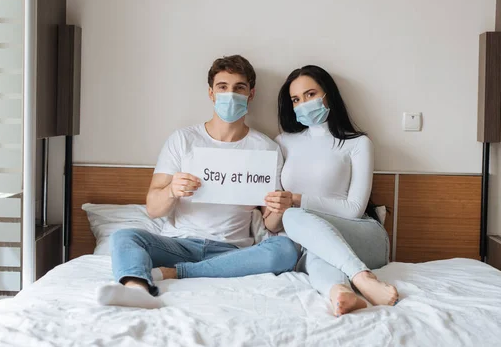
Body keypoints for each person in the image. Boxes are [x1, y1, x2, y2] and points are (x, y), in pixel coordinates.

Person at [97, 55, 299, 309]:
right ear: (211, 93)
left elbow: (269, 223)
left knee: (286, 249)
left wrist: (279, 208)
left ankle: (174, 273)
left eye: (239, 88)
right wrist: (172, 190)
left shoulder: (267, 148)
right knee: (124, 237)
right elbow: (152, 208)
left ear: (251, 94)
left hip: (233, 251)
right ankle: (137, 288)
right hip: (179, 243)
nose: (230, 94)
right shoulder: (183, 140)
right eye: (223, 87)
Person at [274, 65, 399, 316]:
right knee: (312, 249)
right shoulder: (283, 142)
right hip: (312, 239)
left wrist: (298, 199)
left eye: (310, 94)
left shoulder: (357, 143)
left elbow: (354, 210)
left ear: (327, 94)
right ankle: (340, 294)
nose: (303, 104)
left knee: (293, 215)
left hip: (361, 234)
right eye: (296, 99)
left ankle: (361, 276)